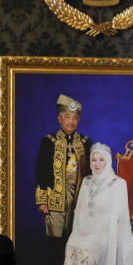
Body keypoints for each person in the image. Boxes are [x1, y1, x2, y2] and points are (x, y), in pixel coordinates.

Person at [57, 142, 133, 265]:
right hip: (87, 229)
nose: (97, 163)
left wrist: (98, 231)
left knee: (85, 250)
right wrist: (81, 230)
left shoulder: (118, 183)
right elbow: (81, 210)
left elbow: (118, 215)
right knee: (72, 243)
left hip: (107, 232)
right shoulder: (87, 181)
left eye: (101, 160)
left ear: (107, 161)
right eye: (94, 160)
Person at [34, 94, 92, 239]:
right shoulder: (49, 142)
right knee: (55, 239)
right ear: (60, 119)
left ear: (78, 120)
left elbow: (90, 174)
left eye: (75, 118)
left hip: (78, 197)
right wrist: (42, 200)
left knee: (76, 239)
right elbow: (41, 171)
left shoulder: (86, 142)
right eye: (67, 117)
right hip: (55, 196)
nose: (71, 122)